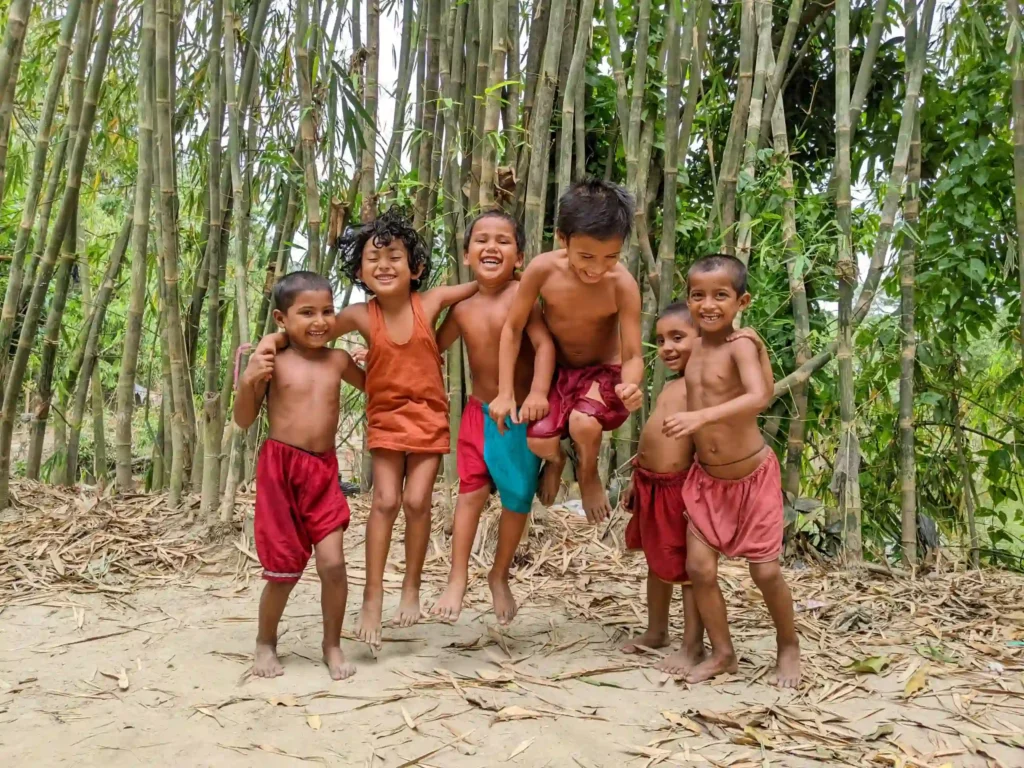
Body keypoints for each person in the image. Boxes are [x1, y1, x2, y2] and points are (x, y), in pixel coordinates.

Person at [256, 209, 477, 648]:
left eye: (395, 256)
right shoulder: (360, 314)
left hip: (429, 417)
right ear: (359, 272)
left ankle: (410, 587)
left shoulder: (429, 303)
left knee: (417, 502)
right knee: (385, 501)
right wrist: (271, 340)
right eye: (373, 259)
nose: (384, 265)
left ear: (415, 268)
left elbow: (481, 285)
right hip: (386, 417)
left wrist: (520, 275)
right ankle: (373, 596)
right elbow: (310, 329)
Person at [661, 253, 801, 688]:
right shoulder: (695, 346)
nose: (708, 304)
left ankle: (788, 645)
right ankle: (723, 652)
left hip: (752, 478)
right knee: (700, 570)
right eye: (698, 295)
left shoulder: (742, 344)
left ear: (742, 301)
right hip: (706, 480)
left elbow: (760, 396)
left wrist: (701, 419)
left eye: (721, 295)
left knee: (765, 572)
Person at [621, 301, 773, 676]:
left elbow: (714, 434)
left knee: (690, 573)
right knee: (656, 564)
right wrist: (635, 476)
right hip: (650, 485)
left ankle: (693, 645)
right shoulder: (674, 384)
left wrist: (760, 350)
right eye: (660, 339)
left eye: (678, 337)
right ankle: (656, 630)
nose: (668, 347)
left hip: (681, 488)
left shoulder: (707, 388)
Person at [234, 271, 365, 680]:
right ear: (280, 318)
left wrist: (375, 358)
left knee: (333, 564)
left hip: (324, 472)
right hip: (281, 471)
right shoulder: (271, 361)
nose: (319, 321)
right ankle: (265, 642)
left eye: (327, 311)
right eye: (306, 312)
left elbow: (380, 390)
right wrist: (248, 379)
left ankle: (332, 645)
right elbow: (242, 420)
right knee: (283, 570)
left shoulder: (338, 360)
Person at [429, 211, 556, 626]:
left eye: (503, 241)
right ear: (467, 255)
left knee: (517, 501)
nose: (491, 247)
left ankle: (499, 574)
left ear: (519, 257)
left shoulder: (524, 297)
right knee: (470, 493)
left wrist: (537, 393)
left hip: (518, 417)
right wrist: (378, 356)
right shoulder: (462, 308)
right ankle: (457, 575)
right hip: (476, 414)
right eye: (481, 240)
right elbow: (431, 349)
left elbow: (544, 347)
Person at [494, 179, 643, 522]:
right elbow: (513, 328)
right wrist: (505, 393)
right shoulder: (543, 270)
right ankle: (558, 460)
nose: (597, 267)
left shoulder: (622, 284)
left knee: (583, 423)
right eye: (587, 256)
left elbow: (633, 355)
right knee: (539, 442)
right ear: (563, 239)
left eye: (611, 257)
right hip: (558, 373)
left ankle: (588, 474)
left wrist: (630, 385)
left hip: (603, 374)